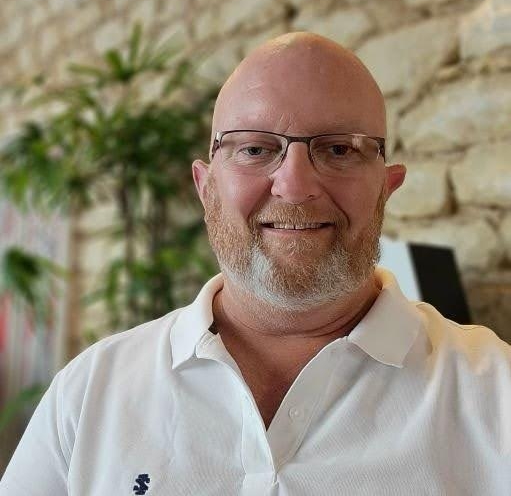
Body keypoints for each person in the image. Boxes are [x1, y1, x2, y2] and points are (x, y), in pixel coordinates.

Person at [1, 32, 510, 495]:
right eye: (255, 149)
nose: (295, 185)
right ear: (206, 188)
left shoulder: (496, 394)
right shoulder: (89, 393)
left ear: (386, 187)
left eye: (339, 149)